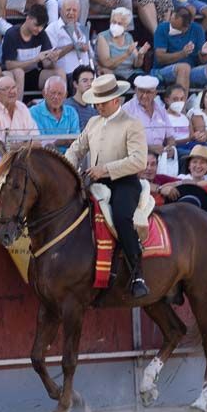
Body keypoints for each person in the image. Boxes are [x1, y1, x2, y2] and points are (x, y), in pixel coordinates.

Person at [63, 73, 149, 297]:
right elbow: (76, 149)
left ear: (116, 101)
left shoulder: (132, 124)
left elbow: (139, 160)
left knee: (122, 217)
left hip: (124, 183)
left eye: (101, 103)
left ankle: (137, 272)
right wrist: (66, 167)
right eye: (96, 102)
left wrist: (106, 168)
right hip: (96, 182)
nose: (98, 107)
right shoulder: (93, 122)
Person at [152, 4, 207, 104]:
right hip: (164, 70)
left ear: (187, 26)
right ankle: (181, 113)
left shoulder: (197, 29)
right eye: (172, 24)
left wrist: (204, 54)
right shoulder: (162, 28)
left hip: (191, 70)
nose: (172, 27)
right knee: (184, 67)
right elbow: (160, 58)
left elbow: (203, 61)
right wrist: (181, 54)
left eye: (178, 28)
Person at [43, 0, 92, 77]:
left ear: (79, 13)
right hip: (67, 76)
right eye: (68, 10)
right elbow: (47, 60)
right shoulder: (52, 29)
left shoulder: (81, 28)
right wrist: (72, 46)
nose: (71, 13)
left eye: (74, 10)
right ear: (61, 11)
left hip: (86, 75)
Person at [30, 75, 80, 142]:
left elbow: (76, 140)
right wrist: (57, 142)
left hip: (69, 152)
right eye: (52, 93)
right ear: (44, 93)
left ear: (65, 96)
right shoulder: (34, 112)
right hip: (43, 152)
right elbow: (39, 141)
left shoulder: (71, 112)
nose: (56, 97)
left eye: (60, 94)